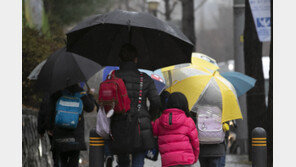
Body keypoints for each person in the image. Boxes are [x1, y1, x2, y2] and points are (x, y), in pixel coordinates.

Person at [109, 43, 161, 167]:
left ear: (120, 59)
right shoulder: (145, 78)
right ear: (136, 59)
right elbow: (156, 101)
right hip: (141, 125)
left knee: (122, 160)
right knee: (138, 159)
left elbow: (107, 102)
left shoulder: (113, 76)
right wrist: (149, 116)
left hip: (119, 124)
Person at [37, 83, 95, 167]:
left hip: (60, 133)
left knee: (62, 161)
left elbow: (50, 111)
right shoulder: (80, 92)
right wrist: (90, 95)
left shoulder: (56, 92)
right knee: (74, 161)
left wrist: (48, 128)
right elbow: (90, 108)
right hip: (76, 134)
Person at [152, 92, 200, 167]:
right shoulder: (188, 121)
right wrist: (195, 157)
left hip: (168, 161)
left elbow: (153, 132)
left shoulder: (159, 121)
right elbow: (195, 142)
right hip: (186, 160)